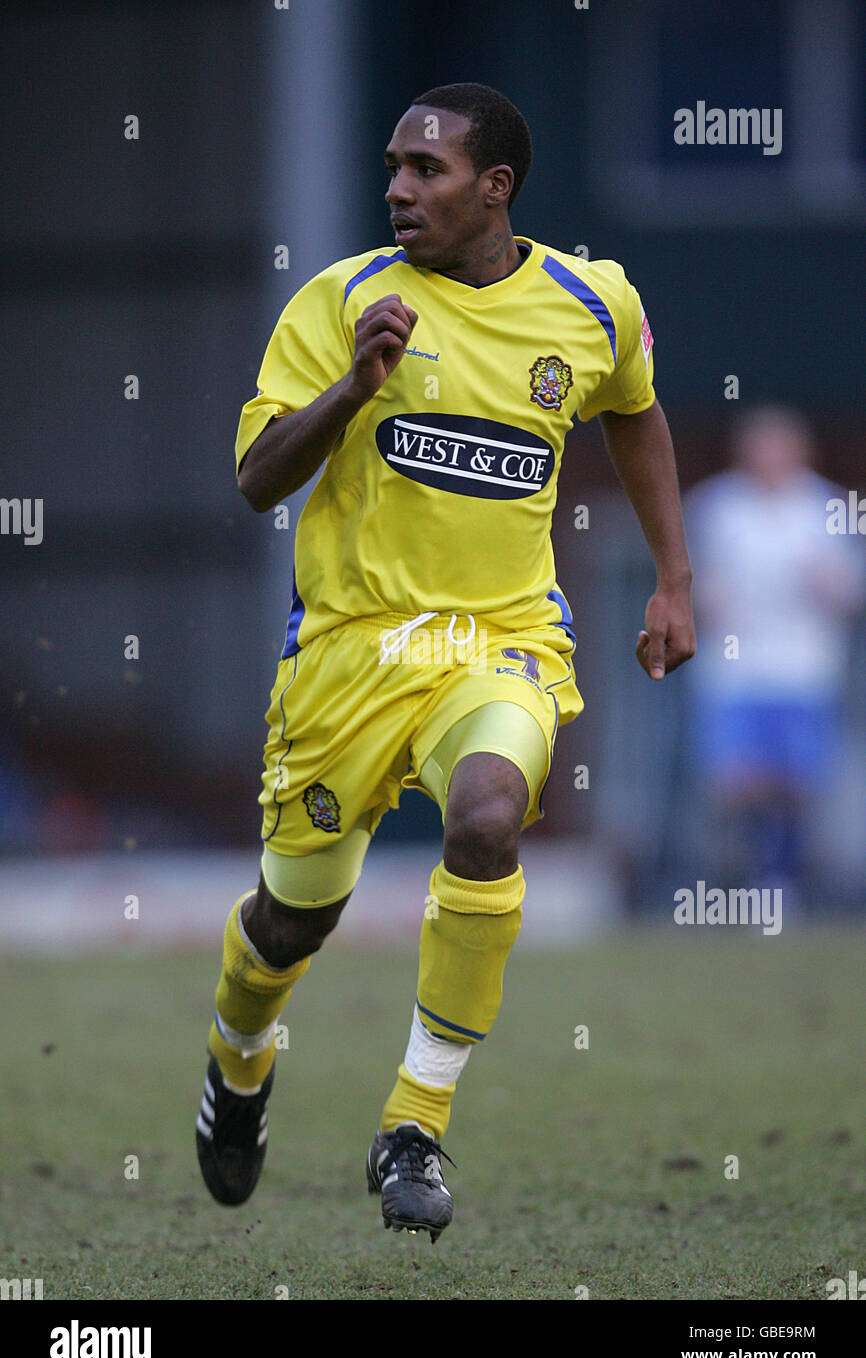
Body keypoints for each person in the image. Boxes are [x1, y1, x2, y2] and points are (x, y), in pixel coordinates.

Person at [195, 83, 695, 1242]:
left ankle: (413, 1124)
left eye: (425, 170)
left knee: (485, 816)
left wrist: (671, 579)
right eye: (392, 169)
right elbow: (258, 477)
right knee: (289, 925)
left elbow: (635, 409)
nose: (398, 189)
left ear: (494, 188)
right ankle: (237, 1056)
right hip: (349, 651)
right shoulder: (343, 299)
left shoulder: (590, 303)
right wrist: (353, 388)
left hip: (499, 639)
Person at [686, 405, 864, 900]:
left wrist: (829, 583)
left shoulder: (825, 506)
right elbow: (691, 581)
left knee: (799, 784)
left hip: (804, 669)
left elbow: (852, 591)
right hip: (735, 671)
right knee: (735, 781)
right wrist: (709, 599)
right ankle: (739, 876)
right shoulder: (717, 506)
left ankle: (783, 882)